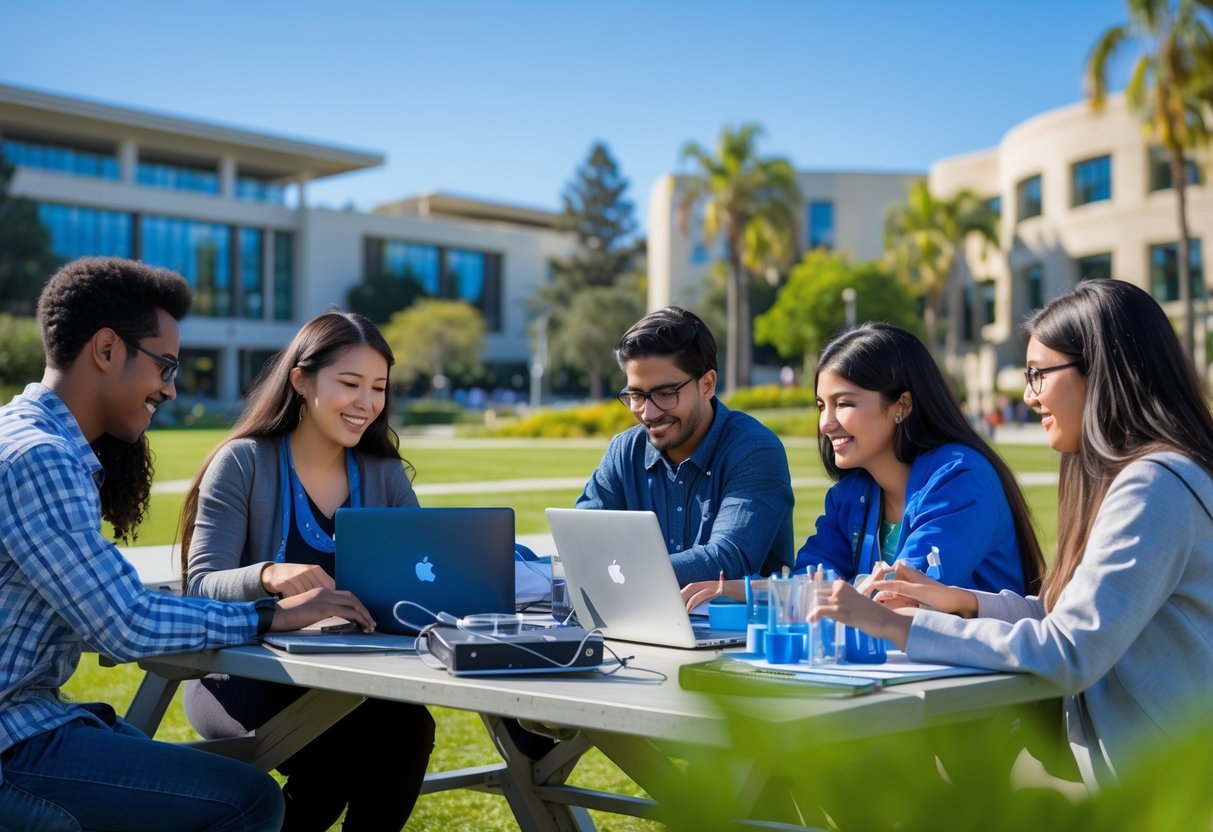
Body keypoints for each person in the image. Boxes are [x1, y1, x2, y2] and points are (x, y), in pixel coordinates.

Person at [0, 257, 373, 830]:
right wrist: (272, 615)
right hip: (13, 741)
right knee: (249, 799)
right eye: (165, 366)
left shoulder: (25, 435)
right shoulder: (40, 458)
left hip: (36, 720)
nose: (170, 388)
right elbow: (125, 624)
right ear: (106, 350)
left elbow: (111, 599)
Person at [816, 280, 1213, 788]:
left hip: (1159, 788)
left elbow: (1069, 651)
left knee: (889, 780)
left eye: (1038, 375)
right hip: (1114, 762)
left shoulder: (1154, 485)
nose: (1028, 396)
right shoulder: (1131, 478)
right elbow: (1062, 614)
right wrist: (961, 601)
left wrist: (899, 626)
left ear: (1101, 370)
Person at [179, 311, 435, 831]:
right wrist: (268, 575)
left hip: (355, 677)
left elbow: (426, 569)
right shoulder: (244, 462)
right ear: (300, 380)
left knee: (408, 729)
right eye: (349, 383)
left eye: (379, 388)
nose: (367, 403)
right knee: (335, 753)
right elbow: (201, 584)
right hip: (244, 676)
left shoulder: (384, 475)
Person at [682, 323, 1044, 608]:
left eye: (844, 403)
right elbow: (812, 579)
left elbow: (899, 595)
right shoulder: (851, 495)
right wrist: (736, 591)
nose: (825, 423)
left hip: (979, 686)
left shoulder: (960, 478)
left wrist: (798, 592)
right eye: (822, 405)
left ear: (901, 405)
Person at [576, 306, 794, 584]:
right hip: (638, 621)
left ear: (707, 384)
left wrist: (626, 572)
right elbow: (581, 540)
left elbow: (729, 558)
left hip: (734, 627)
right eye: (636, 395)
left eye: (666, 394)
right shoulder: (624, 451)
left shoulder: (754, 450)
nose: (648, 413)